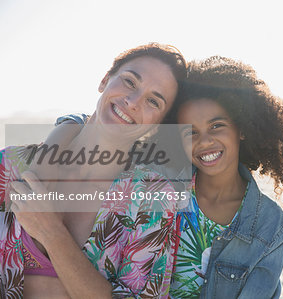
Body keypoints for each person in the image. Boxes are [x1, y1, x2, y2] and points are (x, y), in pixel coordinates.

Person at [0, 43, 188, 298]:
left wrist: (52, 233)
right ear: (104, 80)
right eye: (130, 82)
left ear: (158, 125)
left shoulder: (152, 198)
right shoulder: (9, 165)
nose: (132, 102)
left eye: (153, 101)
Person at [168, 56, 283, 298]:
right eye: (190, 132)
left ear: (241, 128)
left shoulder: (270, 226)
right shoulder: (159, 190)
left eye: (216, 126)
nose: (204, 141)